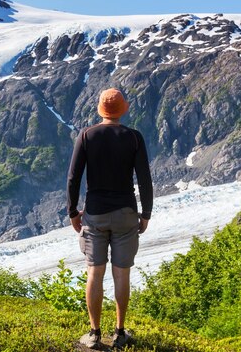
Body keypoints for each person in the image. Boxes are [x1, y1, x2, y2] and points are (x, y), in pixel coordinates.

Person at [67, 88, 153, 350]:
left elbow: (73, 178)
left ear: (100, 109)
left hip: (95, 213)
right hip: (126, 213)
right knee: (121, 274)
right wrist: (146, 213)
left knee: (94, 272)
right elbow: (145, 180)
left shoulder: (86, 135)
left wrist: (73, 212)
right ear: (123, 109)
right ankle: (120, 333)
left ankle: (94, 334)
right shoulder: (134, 138)